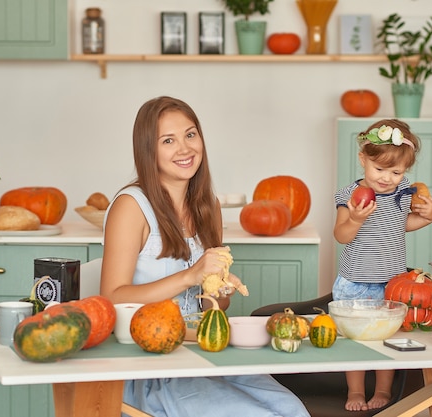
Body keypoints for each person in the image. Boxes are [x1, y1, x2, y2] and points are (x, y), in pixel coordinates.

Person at [100, 96, 311, 417]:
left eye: (190, 134)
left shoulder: (207, 206)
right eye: (168, 140)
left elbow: (211, 306)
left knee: (293, 410)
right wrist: (189, 275)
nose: (184, 149)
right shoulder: (131, 207)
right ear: (148, 150)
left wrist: (219, 291)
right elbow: (112, 298)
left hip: (205, 352)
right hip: (151, 366)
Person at [332, 119, 432, 412]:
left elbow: (403, 224)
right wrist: (355, 219)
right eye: (380, 169)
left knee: (385, 341)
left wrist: (431, 215)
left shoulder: (403, 192)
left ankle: (383, 389)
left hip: (392, 284)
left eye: (396, 172)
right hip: (355, 283)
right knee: (355, 342)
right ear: (362, 159)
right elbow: (341, 235)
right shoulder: (349, 196)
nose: (387, 178)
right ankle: (355, 391)